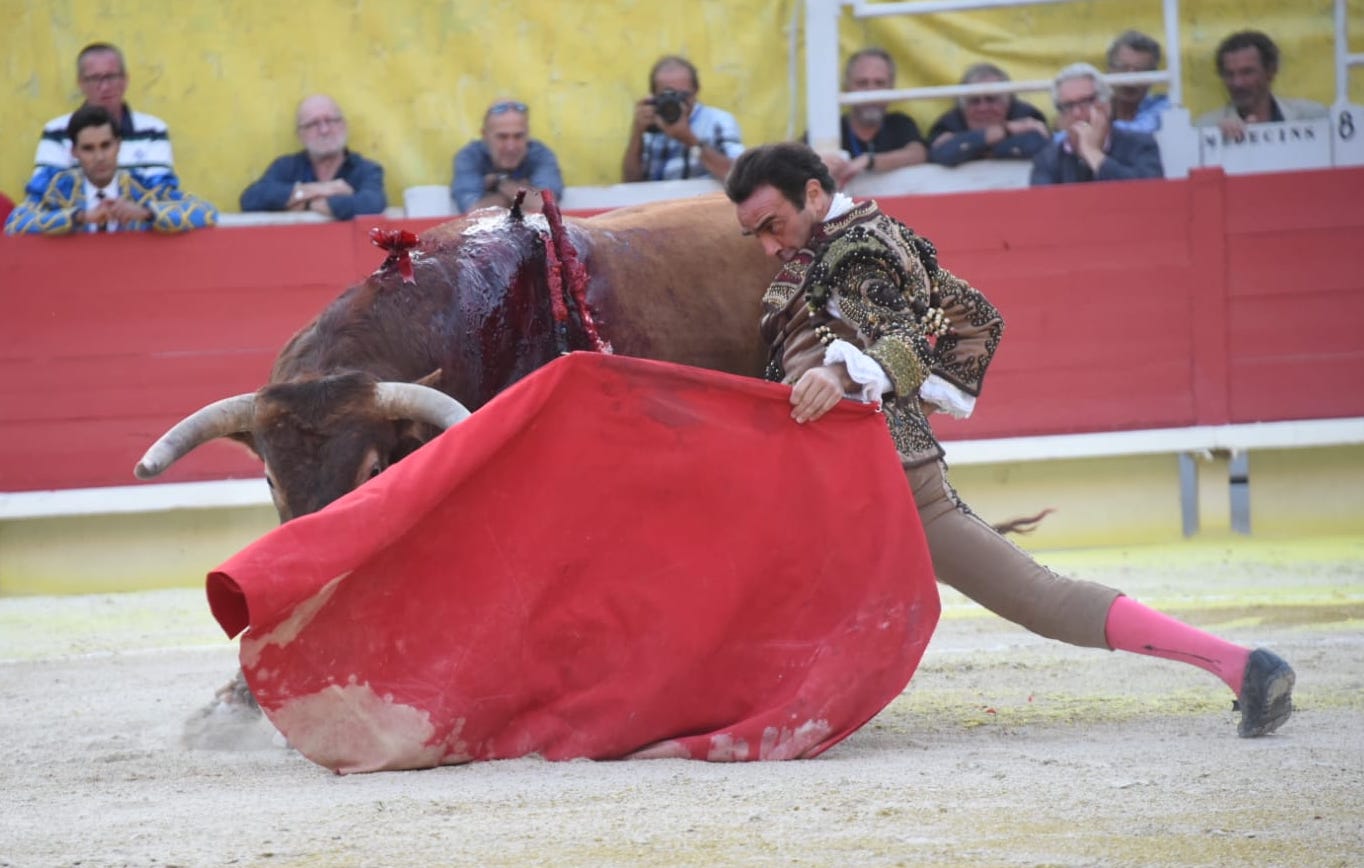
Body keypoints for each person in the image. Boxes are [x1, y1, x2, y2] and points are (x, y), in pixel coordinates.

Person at [723, 141, 1294, 739]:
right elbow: (975, 314)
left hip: (868, 477)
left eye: (773, 225)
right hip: (874, 469)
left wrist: (840, 373)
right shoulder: (874, 232)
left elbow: (906, 343)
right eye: (755, 234)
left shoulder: (852, 254)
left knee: (1031, 596)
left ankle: (1242, 665)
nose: (768, 246)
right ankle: (1241, 666)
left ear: (813, 194)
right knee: (1034, 595)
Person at [6, 106, 217, 236]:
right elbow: (15, 223)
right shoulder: (59, 189)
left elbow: (207, 212)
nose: (99, 157)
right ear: (74, 152)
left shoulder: (144, 188)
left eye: (106, 145)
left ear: (118, 146)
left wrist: (147, 212)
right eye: (88, 149)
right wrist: (79, 217)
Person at [28, 42, 175, 193]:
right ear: (81, 84)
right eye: (94, 79)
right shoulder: (56, 131)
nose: (104, 87)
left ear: (125, 80)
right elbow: (43, 191)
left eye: (111, 77)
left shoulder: (153, 130)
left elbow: (162, 191)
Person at [239, 95, 386, 219]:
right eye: (313, 124)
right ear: (300, 135)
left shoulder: (366, 169)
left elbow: (372, 204)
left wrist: (306, 203)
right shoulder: (286, 166)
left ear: (343, 125)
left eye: (330, 120)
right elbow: (251, 199)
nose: (324, 130)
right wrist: (325, 189)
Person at [1030, 63, 1164, 185]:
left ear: (1106, 105)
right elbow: (1044, 209)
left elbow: (1149, 196)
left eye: (1085, 102)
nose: (1077, 113)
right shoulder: (1047, 159)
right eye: (1068, 106)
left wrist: (1093, 153)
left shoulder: (1140, 145)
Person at [621, 55, 744, 183]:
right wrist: (637, 134)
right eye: (668, 96)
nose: (676, 103)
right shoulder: (651, 124)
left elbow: (740, 176)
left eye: (683, 95)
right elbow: (630, 183)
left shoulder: (718, 122)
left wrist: (689, 139)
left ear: (696, 90)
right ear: (653, 96)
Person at [819, 48, 928, 188]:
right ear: (847, 87)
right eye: (862, 83)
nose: (871, 92)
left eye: (879, 83)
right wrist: (817, 162)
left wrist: (869, 161)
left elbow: (919, 153)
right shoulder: (830, 128)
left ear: (891, 88)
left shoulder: (899, 123)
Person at [1196, 30, 1329, 143]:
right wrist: (1219, 140)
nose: (1238, 83)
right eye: (1229, 74)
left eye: (1247, 72)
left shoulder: (1311, 117)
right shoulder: (1206, 128)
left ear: (1270, 71)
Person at [450, 99, 565, 213]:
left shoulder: (540, 154)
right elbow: (473, 212)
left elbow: (546, 205)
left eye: (518, 136)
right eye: (502, 137)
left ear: (527, 134)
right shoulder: (470, 157)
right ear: (485, 136)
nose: (511, 146)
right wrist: (523, 192)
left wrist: (499, 184)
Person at [926, 63, 1049, 167]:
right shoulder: (950, 122)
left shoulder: (1026, 114)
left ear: (1008, 101)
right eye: (974, 101)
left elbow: (1036, 146)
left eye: (991, 99)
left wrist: (970, 145)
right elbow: (942, 155)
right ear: (962, 106)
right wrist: (1006, 130)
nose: (983, 108)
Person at [1106, 30, 1170, 134]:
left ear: (1153, 75)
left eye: (1141, 71)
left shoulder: (1162, 108)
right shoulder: (1093, 106)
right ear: (1110, 69)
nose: (1131, 80)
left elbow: (1139, 131)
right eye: (1123, 68)